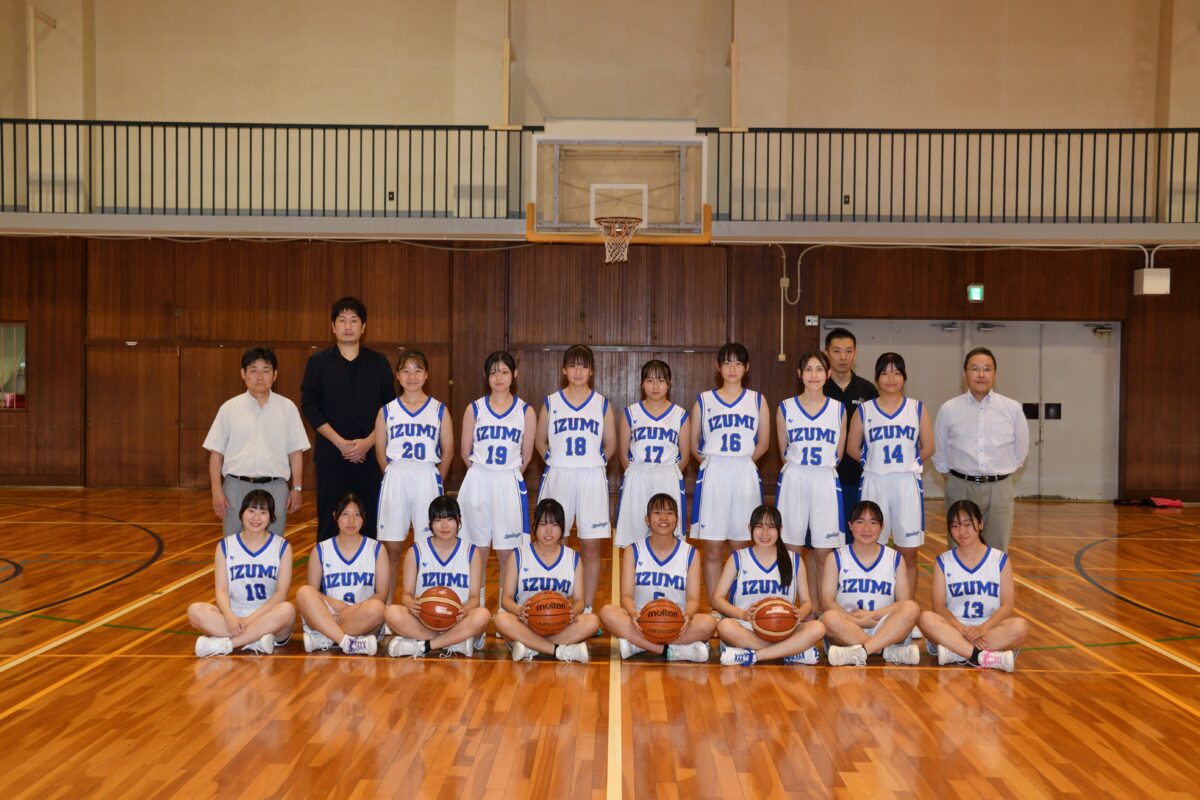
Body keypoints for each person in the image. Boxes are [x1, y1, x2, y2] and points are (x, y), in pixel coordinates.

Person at [845, 352, 933, 614]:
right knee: (873, 547)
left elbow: (928, 446)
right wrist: (873, 463)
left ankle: (907, 610)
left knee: (908, 552)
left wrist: (907, 464)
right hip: (875, 483)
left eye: (896, 372)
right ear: (877, 378)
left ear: (904, 377)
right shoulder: (865, 410)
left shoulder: (917, 408)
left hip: (906, 483)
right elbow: (852, 447)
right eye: (885, 372)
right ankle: (879, 606)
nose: (891, 378)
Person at [301, 297, 395, 541]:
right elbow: (310, 406)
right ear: (333, 326)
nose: (348, 326)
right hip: (331, 456)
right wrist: (340, 443)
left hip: (370, 456)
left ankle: (370, 567)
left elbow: (391, 408)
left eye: (354, 320)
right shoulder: (317, 362)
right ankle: (327, 568)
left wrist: (369, 442)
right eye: (342, 320)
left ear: (363, 327)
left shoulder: (379, 362)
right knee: (329, 521)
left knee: (370, 521)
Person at [535, 345, 616, 612]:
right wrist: (555, 460)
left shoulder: (602, 404)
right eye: (573, 365)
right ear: (564, 369)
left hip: (591, 477)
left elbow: (611, 445)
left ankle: (587, 607)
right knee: (555, 540)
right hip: (559, 475)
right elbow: (540, 440)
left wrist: (592, 463)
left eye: (583, 366)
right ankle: (554, 605)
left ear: (591, 371)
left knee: (591, 546)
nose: (578, 371)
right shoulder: (551, 402)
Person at [690, 343, 770, 602]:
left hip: (744, 472)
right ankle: (716, 605)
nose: (732, 368)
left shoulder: (757, 400)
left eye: (738, 363)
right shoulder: (704, 400)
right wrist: (715, 464)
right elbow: (693, 444)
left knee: (741, 545)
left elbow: (764, 443)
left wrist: (741, 463)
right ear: (718, 367)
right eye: (727, 362)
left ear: (747, 367)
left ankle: (738, 603)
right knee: (713, 547)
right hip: (714, 473)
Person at [458, 351, 536, 611]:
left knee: (507, 554)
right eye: (493, 372)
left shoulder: (526, 411)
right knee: (477, 552)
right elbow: (465, 452)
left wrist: (504, 475)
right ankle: (476, 613)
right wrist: (484, 474)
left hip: (508, 483)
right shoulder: (474, 409)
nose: (498, 377)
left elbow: (526, 457)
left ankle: (505, 614)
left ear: (515, 374)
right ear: (486, 376)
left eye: (504, 372)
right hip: (478, 480)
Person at [203, 346, 310, 536]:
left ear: (275, 375)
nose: (260, 377)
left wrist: (297, 488)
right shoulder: (229, 408)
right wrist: (216, 491)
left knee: (274, 544)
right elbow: (216, 453)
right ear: (243, 374)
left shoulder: (287, 408)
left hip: (275, 487)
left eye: (266, 370)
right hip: (235, 487)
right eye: (253, 370)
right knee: (233, 544)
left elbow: (295, 452)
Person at [374, 349, 454, 599]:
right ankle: (387, 606)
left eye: (417, 370)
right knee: (391, 548)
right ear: (398, 376)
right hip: (396, 475)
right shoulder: (387, 411)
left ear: (426, 375)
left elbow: (448, 451)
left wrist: (435, 478)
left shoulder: (439, 409)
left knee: (426, 546)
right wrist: (393, 475)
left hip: (426, 476)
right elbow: (380, 452)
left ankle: (425, 603)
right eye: (406, 371)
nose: (412, 376)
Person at [598, 494, 716, 662]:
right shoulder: (634, 550)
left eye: (669, 513)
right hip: (641, 623)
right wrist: (633, 613)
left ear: (677, 519)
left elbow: (692, 599)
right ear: (647, 519)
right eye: (657, 512)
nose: (664, 518)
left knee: (708, 623)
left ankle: (638, 645)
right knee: (607, 612)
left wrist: (688, 615)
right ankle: (671, 651)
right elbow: (626, 596)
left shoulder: (691, 553)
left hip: (676, 625)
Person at [933, 347, 1029, 552]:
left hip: (999, 489)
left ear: (995, 373)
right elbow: (939, 451)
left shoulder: (1012, 408)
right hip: (960, 486)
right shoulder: (949, 409)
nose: (981, 374)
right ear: (965, 374)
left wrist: (1000, 475)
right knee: (959, 549)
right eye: (975, 368)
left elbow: (1021, 451)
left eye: (987, 369)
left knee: (997, 551)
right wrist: (955, 480)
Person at [918, 500, 1028, 672]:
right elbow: (939, 606)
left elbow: (1007, 606)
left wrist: (982, 629)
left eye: (967, 524)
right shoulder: (943, 561)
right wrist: (962, 629)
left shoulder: (1000, 559)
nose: (962, 531)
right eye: (955, 526)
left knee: (1020, 626)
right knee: (925, 618)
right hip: (955, 628)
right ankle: (983, 656)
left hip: (988, 629)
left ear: (980, 524)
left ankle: (956, 652)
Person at [711, 505, 827, 666]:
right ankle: (789, 653)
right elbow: (717, 599)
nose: (765, 533)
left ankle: (755, 655)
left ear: (780, 529)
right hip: (747, 627)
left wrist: (800, 613)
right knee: (725, 626)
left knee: (818, 627)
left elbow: (807, 602)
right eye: (759, 526)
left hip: (784, 629)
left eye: (771, 527)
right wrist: (742, 614)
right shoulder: (738, 558)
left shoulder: (795, 560)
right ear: (750, 528)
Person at [775, 350, 845, 615]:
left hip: (825, 479)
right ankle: (794, 609)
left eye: (819, 369)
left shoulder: (839, 409)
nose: (814, 375)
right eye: (808, 369)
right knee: (792, 550)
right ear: (799, 374)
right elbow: (784, 451)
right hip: (795, 479)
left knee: (823, 553)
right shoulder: (785, 407)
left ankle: (822, 610)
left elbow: (838, 455)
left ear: (828, 374)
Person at [189, 490, 297, 657]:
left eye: (263, 512)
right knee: (195, 611)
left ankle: (228, 644)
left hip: (268, 617)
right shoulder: (225, 546)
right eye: (251, 511)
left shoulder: (282, 547)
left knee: (287, 610)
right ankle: (255, 640)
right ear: (242, 513)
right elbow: (221, 590)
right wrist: (230, 617)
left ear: (271, 517)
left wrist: (249, 620)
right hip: (235, 618)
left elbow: (281, 594)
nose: (256, 518)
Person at [383, 496, 491, 658]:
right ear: (431, 523)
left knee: (483, 615)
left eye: (450, 519)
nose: (444, 525)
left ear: (459, 520)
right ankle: (454, 642)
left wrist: (467, 609)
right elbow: (406, 595)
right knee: (391, 612)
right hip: (424, 620)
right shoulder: (416, 551)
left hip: (457, 620)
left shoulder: (471, 552)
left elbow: (474, 598)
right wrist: (411, 604)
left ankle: (425, 645)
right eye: (438, 520)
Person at [819, 500, 922, 667]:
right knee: (828, 618)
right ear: (850, 525)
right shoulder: (836, 557)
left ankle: (863, 651)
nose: (866, 529)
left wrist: (872, 615)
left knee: (912, 608)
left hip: (883, 624)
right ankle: (885, 650)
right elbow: (827, 602)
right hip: (848, 624)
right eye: (860, 522)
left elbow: (903, 603)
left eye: (873, 523)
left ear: (882, 527)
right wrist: (859, 622)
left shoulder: (895, 558)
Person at [494, 498, 597, 662]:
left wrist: (573, 612)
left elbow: (579, 601)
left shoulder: (573, 558)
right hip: (525, 623)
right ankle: (559, 651)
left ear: (562, 528)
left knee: (592, 621)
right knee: (501, 619)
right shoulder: (518, 555)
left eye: (554, 525)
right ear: (534, 526)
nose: (549, 530)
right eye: (543, 524)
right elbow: (506, 599)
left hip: (559, 624)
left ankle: (530, 647)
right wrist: (519, 610)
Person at [295, 492, 388, 656]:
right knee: (304, 592)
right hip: (332, 613)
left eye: (356, 515)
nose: (351, 521)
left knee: (378, 608)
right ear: (335, 516)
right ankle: (347, 642)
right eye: (345, 514)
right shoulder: (321, 550)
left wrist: (350, 611)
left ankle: (327, 637)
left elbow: (382, 594)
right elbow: (314, 593)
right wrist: (341, 608)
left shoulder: (377, 549)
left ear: (363, 518)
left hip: (362, 616)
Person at [615, 359, 690, 547]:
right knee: (634, 537)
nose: (655, 386)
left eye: (661, 380)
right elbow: (623, 454)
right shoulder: (630, 413)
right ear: (642, 384)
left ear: (669, 383)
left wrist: (667, 473)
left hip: (667, 475)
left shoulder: (680, 415)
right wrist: (637, 473)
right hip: (638, 475)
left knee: (668, 536)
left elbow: (685, 455)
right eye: (650, 380)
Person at [822, 328, 878, 535]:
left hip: (859, 477)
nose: (843, 357)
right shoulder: (818, 388)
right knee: (824, 538)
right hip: (825, 476)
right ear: (827, 353)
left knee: (859, 535)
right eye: (836, 351)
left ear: (855, 354)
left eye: (848, 351)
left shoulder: (867, 390)